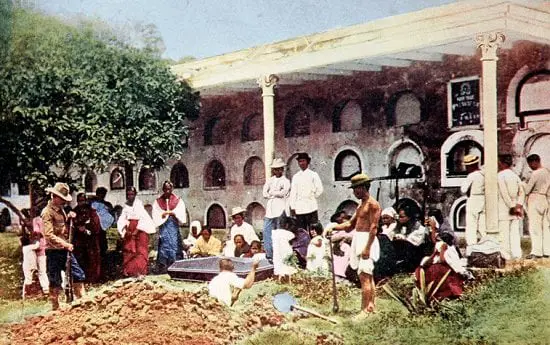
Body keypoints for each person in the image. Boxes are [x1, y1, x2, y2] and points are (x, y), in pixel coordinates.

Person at [327, 173, 380, 320]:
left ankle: (365, 311)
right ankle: (371, 306)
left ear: (364, 187)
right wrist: (333, 227)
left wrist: (367, 248)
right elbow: (350, 225)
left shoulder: (373, 204)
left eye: (357, 188)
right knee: (367, 276)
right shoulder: (360, 205)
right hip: (359, 238)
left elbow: (374, 228)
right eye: (354, 189)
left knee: (365, 277)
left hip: (367, 240)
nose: (355, 192)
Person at [42, 182, 86, 310]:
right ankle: (55, 307)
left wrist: (70, 217)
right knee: (55, 280)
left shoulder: (61, 209)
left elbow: (62, 227)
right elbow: (49, 235)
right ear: (54, 196)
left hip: (65, 250)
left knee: (78, 274)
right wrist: (65, 244)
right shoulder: (47, 212)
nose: (63, 202)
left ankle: (82, 301)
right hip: (53, 251)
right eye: (61, 198)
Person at [416, 232, 473, 300]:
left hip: (443, 270)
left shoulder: (449, 249)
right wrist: (436, 253)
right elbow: (426, 263)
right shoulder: (435, 251)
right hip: (434, 271)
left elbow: (448, 261)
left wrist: (442, 251)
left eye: (439, 240)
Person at [117, 187, 156, 277]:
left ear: (135, 195)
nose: (130, 196)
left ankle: (140, 271)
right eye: (128, 194)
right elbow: (122, 219)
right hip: (129, 230)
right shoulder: (126, 206)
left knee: (140, 251)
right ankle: (130, 271)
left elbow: (143, 219)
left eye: (132, 194)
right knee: (129, 250)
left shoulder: (139, 205)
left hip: (140, 230)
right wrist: (125, 229)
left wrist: (136, 230)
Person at [152, 181, 187, 273]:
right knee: (164, 245)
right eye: (165, 189)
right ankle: (164, 267)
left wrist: (172, 213)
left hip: (173, 226)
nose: (167, 191)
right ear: (163, 189)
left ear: (172, 189)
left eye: (169, 189)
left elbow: (180, 212)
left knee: (174, 245)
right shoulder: (158, 201)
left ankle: (175, 266)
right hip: (164, 227)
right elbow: (156, 213)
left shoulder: (177, 200)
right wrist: (163, 214)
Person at [262, 158, 291, 262]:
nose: (277, 171)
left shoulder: (286, 181)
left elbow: (284, 192)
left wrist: (272, 193)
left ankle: (281, 257)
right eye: (275, 169)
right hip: (270, 209)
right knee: (267, 232)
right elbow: (264, 193)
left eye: (279, 169)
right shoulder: (270, 180)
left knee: (279, 233)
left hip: (280, 208)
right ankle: (270, 255)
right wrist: (275, 192)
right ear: (273, 170)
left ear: (282, 170)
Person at [497, 154, 525, 260]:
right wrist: (518, 205)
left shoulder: (500, 176)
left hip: (505, 208)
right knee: (514, 233)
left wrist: (512, 206)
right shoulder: (515, 175)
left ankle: (506, 255)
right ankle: (517, 254)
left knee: (504, 233)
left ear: (502, 163)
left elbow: (504, 193)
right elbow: (522, 192)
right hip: (515, 206)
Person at [391, 205, 432, 273]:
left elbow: (414, 243)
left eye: (402, 217)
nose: (399, 219)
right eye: (399, 217)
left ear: (409, 217)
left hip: (415, 256)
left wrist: (403, 239)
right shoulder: (399, 226)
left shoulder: (420, 228)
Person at [289, 152, 323, 231]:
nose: (302, 163)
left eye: (303, 161)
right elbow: (293, 192)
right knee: (301, 230)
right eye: (300, 161)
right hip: (300, 207)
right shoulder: (296, 176)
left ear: (307, 162)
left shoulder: (313, 175)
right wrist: (293, 207)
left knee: (313, 229)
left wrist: (312, 196)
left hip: (311, 206)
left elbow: (320, 189)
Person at [524, 154, 550, 259]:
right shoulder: (548, 172)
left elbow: (527, 189)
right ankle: (547, 250)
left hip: (534, 198)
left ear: (534, 162)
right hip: (545, 198)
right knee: (546, 226)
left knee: (535, 226)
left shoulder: (536, 173)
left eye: (530, 164)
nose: (530, 166)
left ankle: (536, 251)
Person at [72, 193, 102, 283]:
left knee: (92, 259)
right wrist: (78, 228)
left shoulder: (91, 211)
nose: (82, 203)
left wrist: (87, 229)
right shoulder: (75, 211)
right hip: (79, 240)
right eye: (80, 201)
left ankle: (92, 279)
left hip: (91, 240)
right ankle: (82, 278)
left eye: (83, 200)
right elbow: (72, 224)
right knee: (80, 259)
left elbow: (96, 226)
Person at [20, 208, 49, 297]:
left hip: (39, 247)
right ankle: (45, 289)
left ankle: (44, 289)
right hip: (39, 247)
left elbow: (37, 232)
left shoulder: (36, 220)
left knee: (40, 270)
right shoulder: (39, 220)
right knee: (41, 270)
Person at [460, 154, 486, 250]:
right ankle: (486, 244)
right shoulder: (484, 174)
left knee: (471, 225)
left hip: (473, 199)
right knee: (483, 225)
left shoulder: (471, 175)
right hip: (484, 200)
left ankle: (472, 247)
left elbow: (463, 189)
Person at [90, 187, 115, 260]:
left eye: (103, 194)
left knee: (102, 244)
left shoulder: (107, 204)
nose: (102, 196)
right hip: (94, 227)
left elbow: (112, 213)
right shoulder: (92, 203)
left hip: (102, 228)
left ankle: (103, 260)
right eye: (100, 194)